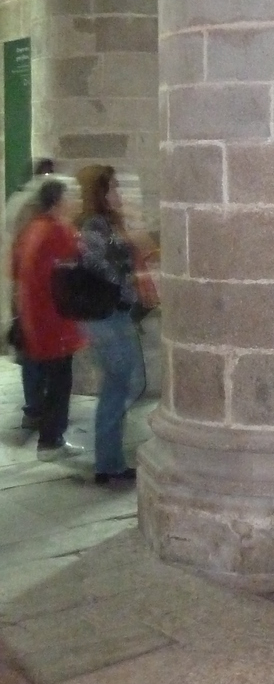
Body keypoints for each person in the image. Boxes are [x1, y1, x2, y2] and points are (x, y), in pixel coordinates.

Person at [76, 164, 145, 486]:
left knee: (124, 384)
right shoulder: (93, 224)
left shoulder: (108, 223)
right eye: (114, 189)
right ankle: (108, 462)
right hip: (104, 315)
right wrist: (126, 281)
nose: (119, 194)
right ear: (100, 194)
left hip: (116, 312)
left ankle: (109, 460)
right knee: (122, 384)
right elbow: (95, 264)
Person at [12, 178, 85, 460]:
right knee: (59, 383)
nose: (77, 200)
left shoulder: (33, 228)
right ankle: (51, 441)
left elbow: (18, 270)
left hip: (36, 316)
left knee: (50, 380)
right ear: (58, 201)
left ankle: (48, 434)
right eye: (72, 195)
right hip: (55, 320)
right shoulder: (58, 231)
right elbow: (76, 270)